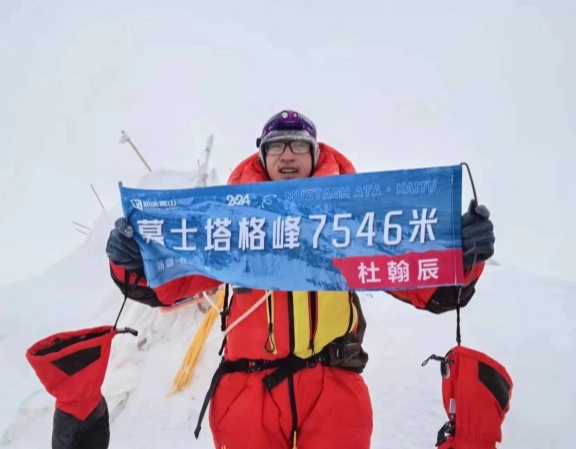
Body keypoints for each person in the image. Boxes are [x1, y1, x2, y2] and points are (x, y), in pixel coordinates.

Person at [49, 110, 496, 449]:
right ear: (261, 157)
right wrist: (134, 256)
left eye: (298, 146)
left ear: (315, 156)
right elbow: (165, 283)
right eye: (276, 146)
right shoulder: (229, 225)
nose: (287, 154)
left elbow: (430, 287)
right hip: (246, 395)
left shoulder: (353, 225)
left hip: (335, 387)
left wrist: (463, 253)